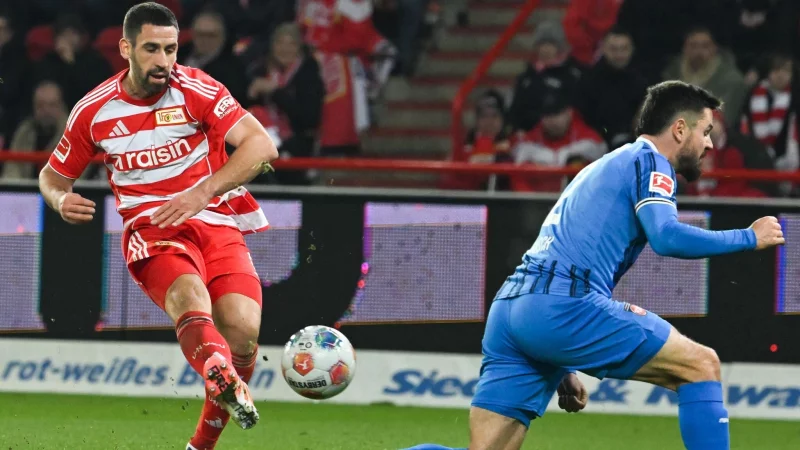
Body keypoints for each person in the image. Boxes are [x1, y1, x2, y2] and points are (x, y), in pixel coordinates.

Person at [402, 81, 785, 450]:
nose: (709, 143)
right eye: (705, 131)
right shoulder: (650, 161)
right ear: (679, 129)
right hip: (562, 305)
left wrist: (559, 357)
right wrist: (748, 237)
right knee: (702, 365)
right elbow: (666, 236)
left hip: (512, 309)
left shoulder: (602, 165)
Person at [36, 3, 278, 450]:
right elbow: (51, 177)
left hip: (217, 221)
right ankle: (217, 371)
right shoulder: (94, 110)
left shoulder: (199, 88)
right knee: (191, 298)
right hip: (153, 231)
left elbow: (262, 146)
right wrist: (59, 199)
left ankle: (201, 438)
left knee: (243, 334)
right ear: (126, 48)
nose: (164, 61)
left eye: (171, 49)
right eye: (151, 49)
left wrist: (203, 192)